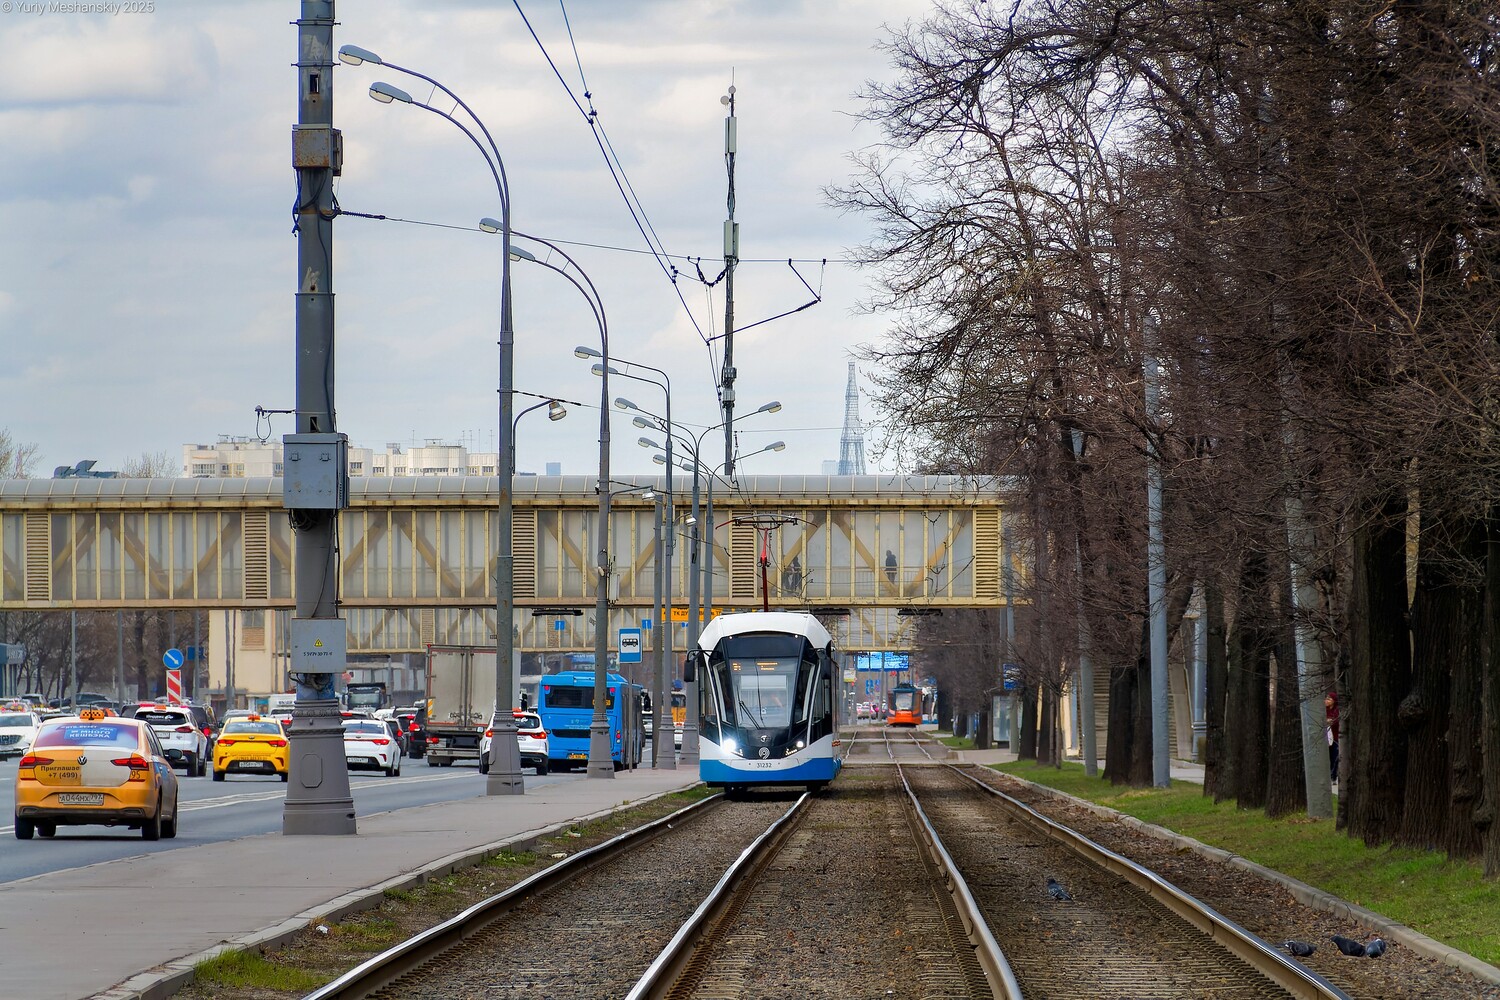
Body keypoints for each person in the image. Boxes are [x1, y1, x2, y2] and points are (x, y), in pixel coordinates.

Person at [1325, 691, 1340, 783]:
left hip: (1335, 738)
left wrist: (1329, 721)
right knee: (1327, 758)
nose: (1326, 700)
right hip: (1324, 738)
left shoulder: (1336, 710)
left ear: (1334, 701)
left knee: (1335, 758)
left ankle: (1333, 776)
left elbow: (1335, 722)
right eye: (1326, 698)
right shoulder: (1323, 710)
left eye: (1329, 699)